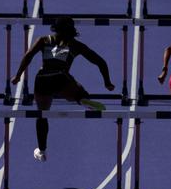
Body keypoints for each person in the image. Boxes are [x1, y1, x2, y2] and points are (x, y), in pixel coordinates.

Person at [11, 17, 115, 161]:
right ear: (72, 30)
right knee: (79, 91)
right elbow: (100, 62)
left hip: (42, 79)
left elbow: (28, 56)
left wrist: (17, 76)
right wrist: (107, 82)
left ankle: (41, 150)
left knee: (42, 114)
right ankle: (82, 99)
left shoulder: (43, 40)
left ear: (55, 28)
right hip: (60, 78)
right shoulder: (75, 45)